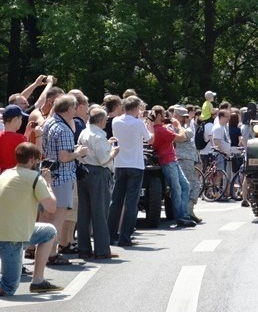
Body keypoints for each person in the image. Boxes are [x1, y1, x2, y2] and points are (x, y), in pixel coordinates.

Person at [0, 143, 63, 295]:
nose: (38, 164)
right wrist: (48, 183)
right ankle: (37, 281)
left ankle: (38, 281)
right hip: (12, 236)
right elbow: (51, 207)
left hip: (11, 230)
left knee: (49, 231)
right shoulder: (35, 178)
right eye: (38, 161)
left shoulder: (6, 173)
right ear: (32, 160)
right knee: (8, 288)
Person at [40, 94, 88, 265]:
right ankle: (51, 254)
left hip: (49, 174)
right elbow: (64, 156)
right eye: (74, 107)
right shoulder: (64, 128)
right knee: (57, 218)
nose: (76, 110)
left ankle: (45, 253)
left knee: (47, 217)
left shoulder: (50, 123)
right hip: (63, 176)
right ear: (69, 109)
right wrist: (79, 153)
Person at [108, 96, 153, 247]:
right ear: (135, 108)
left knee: (116, 200)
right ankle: (125, 236)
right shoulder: (139, 123)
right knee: (131, 202)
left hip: (120, 163)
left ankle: (111, 234)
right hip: (135, 164)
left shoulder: (116, 121)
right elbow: (150, 139)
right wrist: (150, 126)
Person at [76, 107, 119, 259]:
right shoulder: (99, 136)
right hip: (98, 173)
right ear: (101, 120)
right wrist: (113, 152)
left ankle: (84, 248)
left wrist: (106, 144)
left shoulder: (84, 132)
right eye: (106, 119)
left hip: (83, 171)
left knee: (84, 212)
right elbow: (103, 159)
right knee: (100, 212)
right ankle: (102, 249)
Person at [150, 106, 195, 227]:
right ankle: (180, 217)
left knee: (184, 186)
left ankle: (184, 215)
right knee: (177, 189)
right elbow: (182, 137)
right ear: (159, 116)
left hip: (171, 160)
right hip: (168, 161)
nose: (166, 116)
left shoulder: (157, 129)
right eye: (164, 114)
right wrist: (178, 125)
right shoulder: (161, 130)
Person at [172, 106, 203, 221]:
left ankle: (188, 209)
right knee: (194, 184)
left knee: (188, 185)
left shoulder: (184, 128)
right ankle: (188, 209)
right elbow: (186, 135)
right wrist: (180, 125)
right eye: (184, 117)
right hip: (184, 159)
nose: (187, 119)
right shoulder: (177, 129)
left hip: (186, 159)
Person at [0, 106, 36, 173]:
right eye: (21, 119)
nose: (21, 121)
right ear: (15, 119)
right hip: (16, 175)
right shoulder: (20, 138)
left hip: (2, 175)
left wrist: (27, 132)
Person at [212, 109, 233, 199]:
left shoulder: (224, 127)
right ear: (221, 117)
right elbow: (217, 142)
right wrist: (224, 152)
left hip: (225, 154)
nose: (228, 119)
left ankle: (222, 192)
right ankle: (216, 193)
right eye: (227, 117)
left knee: (222, 174)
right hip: (220, 154)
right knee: (219, 174)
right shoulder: (218, 128)